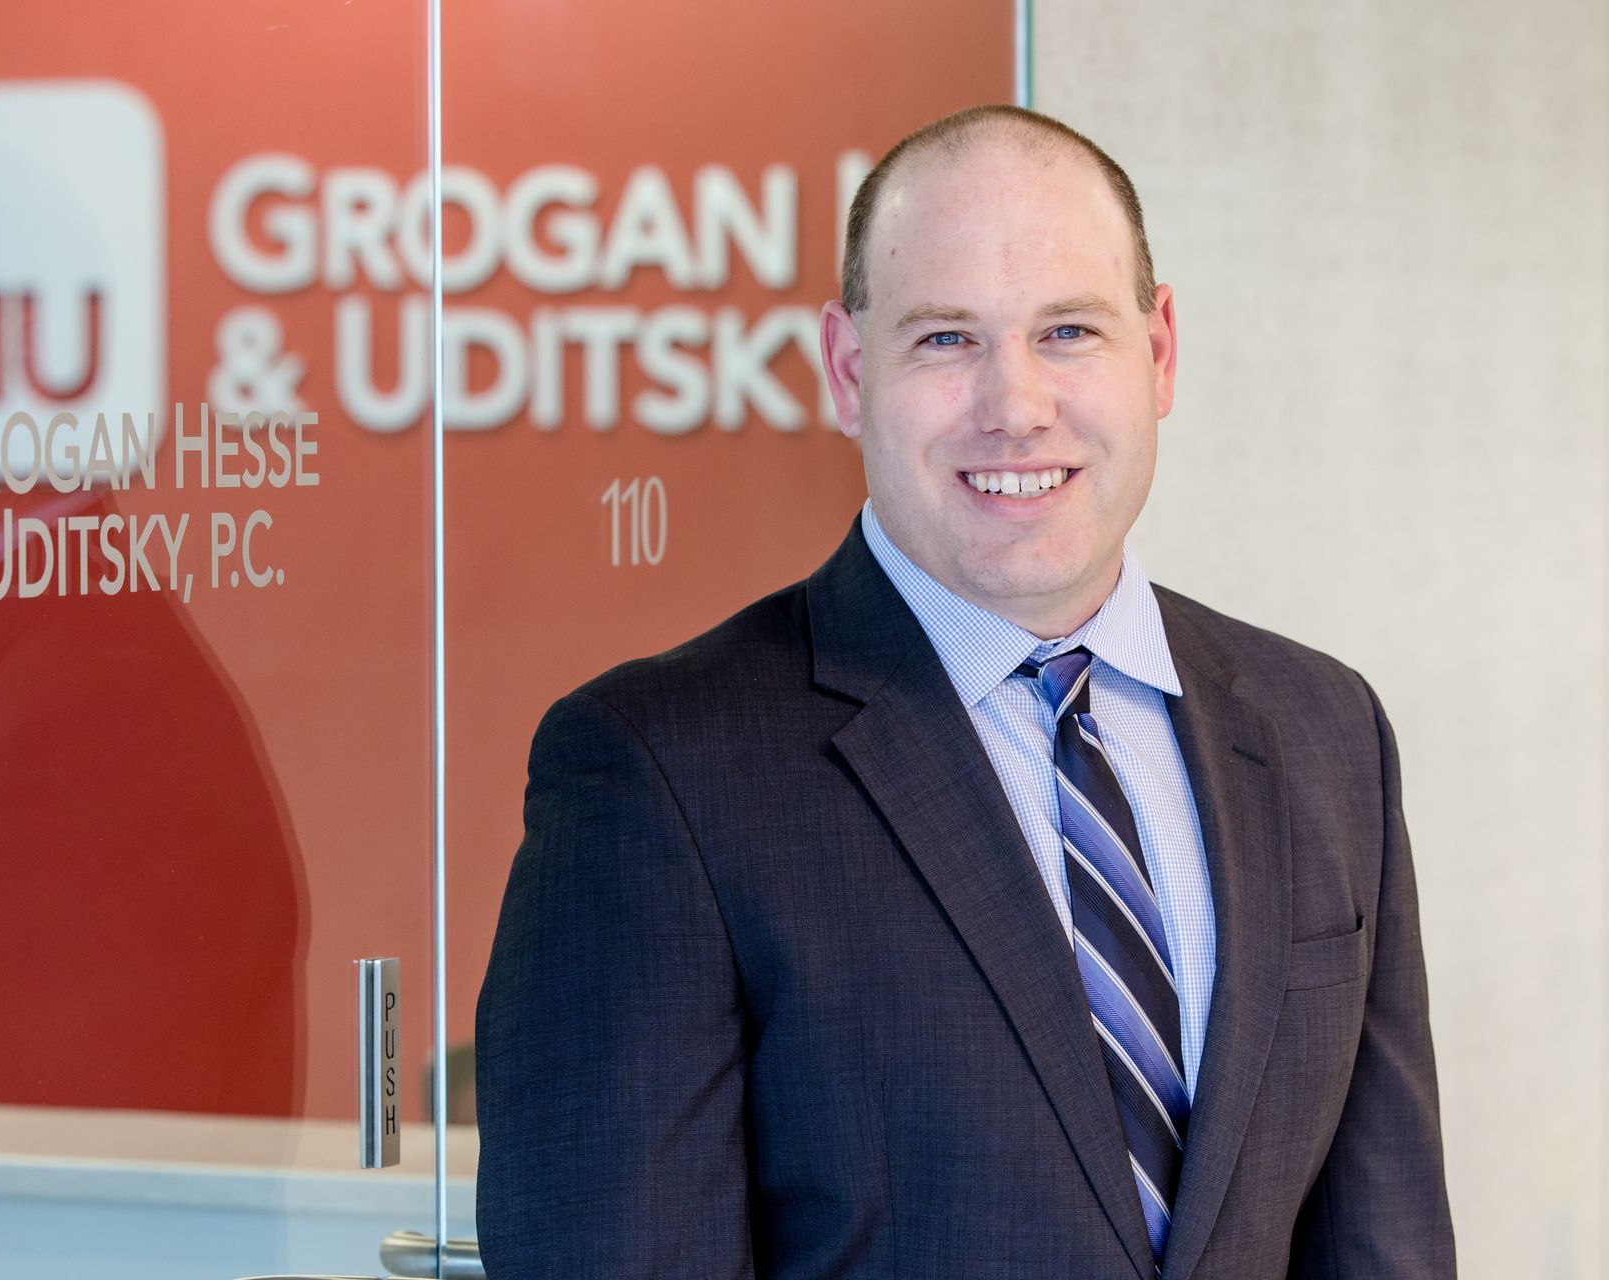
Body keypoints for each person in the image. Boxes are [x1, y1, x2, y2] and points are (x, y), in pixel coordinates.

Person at [474, 105, 1455, 1280]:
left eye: (1070, 332)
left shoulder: (1324, 729)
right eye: (946, 339)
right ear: (848, 368)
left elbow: (1384, 1247)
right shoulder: (658, 770)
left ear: (1162, 351)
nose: (1017, 404)